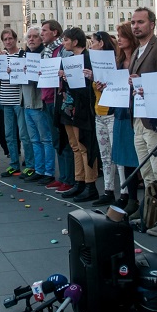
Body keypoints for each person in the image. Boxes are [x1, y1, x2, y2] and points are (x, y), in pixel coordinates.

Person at [129, 8, 157, 236]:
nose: (135, 26)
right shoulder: (138, 50)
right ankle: (151, 211)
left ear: (151, 24)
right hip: (138, 118)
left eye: (140, 22)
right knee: (146, 172)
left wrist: (142, 82)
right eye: (133, 22)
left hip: (155, 120)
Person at [57, 28, 99, 203]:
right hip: (69, 106)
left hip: (82, 108)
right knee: (75, 146)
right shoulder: (69, 59)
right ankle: (79, 180)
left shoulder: (88, 59)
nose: (63, 43)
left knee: (84, 146)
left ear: (75, 42)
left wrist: (70, 79)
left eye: (66, 40)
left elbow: (89, 86)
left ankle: (90, 184)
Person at [109, 24, 139, 212]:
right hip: (120, 111)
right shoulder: (119, 60)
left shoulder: (138, 58)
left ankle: (136, 197)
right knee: (125, 157)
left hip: (135, 112)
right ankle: (130, 197)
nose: (119, 40)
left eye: (122, 36)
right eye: (118, 36)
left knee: (137, 156)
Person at [21, 28, 55, 187]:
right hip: (27, 102)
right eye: (29, 37)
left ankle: (49, 172)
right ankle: (39, 170)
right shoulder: (24, 56)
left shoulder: (45, 56)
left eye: (35, 36)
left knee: (45, 139)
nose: (32, 39)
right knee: (34, 140)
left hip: (39, 103)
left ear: (41, 39)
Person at [41, 20, 73, 189]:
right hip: (47, 99)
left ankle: (69, 179)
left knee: (64, 140)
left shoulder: (62, 51)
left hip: (58, 100)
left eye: (44, 30)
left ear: (54, 32)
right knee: (56, 141)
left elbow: (69, 72)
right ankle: (62, 177)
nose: (42, 34)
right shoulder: (46, 51)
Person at [0, 29, 33, 178]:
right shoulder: (1, 57)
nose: (8, 41)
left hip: (19, 100)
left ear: (16, 39)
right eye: (5, 39)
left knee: (24, 135)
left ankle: (30, 165)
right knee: (9, 135)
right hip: (5, 99)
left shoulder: (23, 55)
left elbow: (27, 75)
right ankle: (14, 165)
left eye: (10, 38)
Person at [89, 31, 119, 206]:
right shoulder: (95, 64)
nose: (91, 45)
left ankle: (123, 191)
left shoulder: (113, 62)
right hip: (99, 112)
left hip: (111, 113)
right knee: (105, 155)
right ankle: (108, 190)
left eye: (93, 42)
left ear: (101, 43)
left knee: (116, 155)